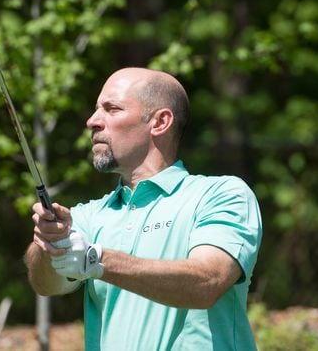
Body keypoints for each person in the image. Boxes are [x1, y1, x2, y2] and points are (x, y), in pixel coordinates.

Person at [24, 67, 263, 350]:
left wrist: (98, 260)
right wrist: (49, 243)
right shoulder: (89, 215)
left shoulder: (219, 195)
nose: (92, 121)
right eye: (96, 110)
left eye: (112, 109)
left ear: (160, 122)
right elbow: (47, 285)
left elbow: (207, 281)